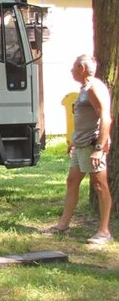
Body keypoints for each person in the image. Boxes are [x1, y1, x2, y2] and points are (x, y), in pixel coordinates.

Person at [43, 54, 113, 245]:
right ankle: (63, 225)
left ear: (82, 68)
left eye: (74, 67)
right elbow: (85, 119)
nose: (71, 70)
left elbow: (105, 118)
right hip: (81, 146)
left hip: (92, 146)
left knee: (100, 186)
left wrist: (99, 148)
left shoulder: (93, 89)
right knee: (72, 181)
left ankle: (104, 231)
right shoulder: (84, 88)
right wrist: (74, 141)